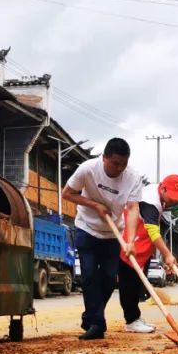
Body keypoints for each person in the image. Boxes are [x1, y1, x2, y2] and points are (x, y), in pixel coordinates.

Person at [62, 138, 142, 340]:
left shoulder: (132, 177)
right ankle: (97, 324)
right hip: (86, 228)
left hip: (112, 233)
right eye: (115, 163)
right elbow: (68, 193)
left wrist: (130, 240)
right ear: (104, 157)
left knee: (108, 278)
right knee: (88, 276)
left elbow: (132, 209)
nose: (119, 168)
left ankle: (90, 317)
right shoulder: (88, 169)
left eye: (123, 164)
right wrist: (95, 205)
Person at [117, 174, 178, 333]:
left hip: (142, 242)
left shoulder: (157, 196)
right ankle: (131, 320)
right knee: (130, 282)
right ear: (162, 189)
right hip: (132, 239)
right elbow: (153, 231)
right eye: (172, 196)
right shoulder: (151, 201)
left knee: (137, 283)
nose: (174, 201)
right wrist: (167, 254)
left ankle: (134, 317)